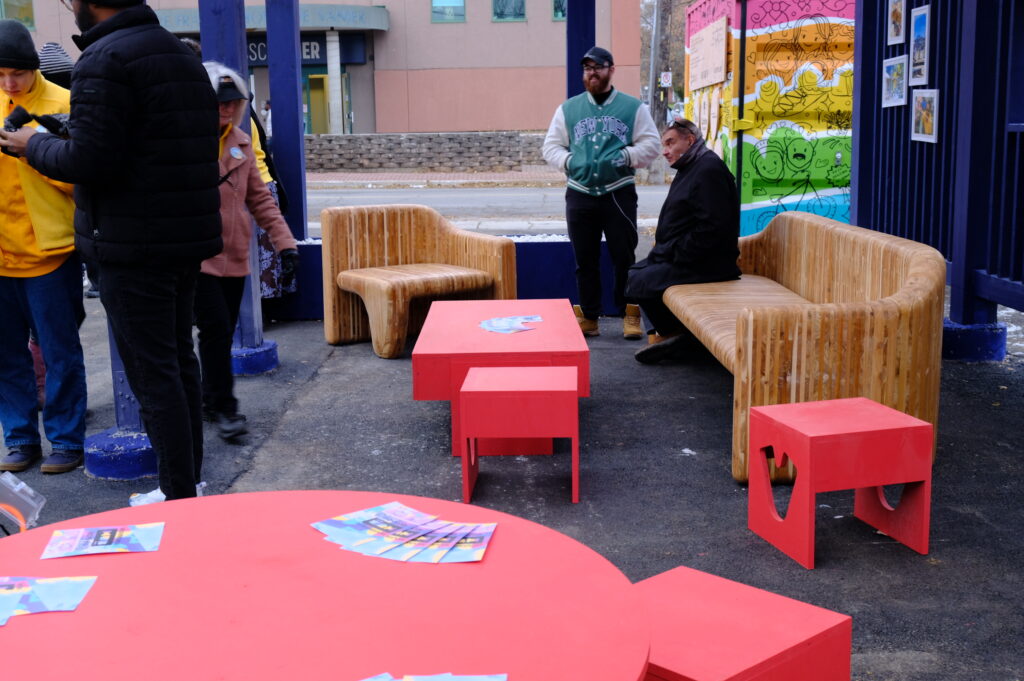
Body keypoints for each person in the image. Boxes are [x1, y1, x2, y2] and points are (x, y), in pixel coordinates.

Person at [0, 0, 222, 504]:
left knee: (153, 374)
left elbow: (90, 160)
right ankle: (188, 484)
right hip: (182, 238)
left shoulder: (104, 59)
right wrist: (57, 131)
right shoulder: (178, 53)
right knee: (177, 362)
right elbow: (141, 143)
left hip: (132, 243)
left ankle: (178, 495)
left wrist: (30, 144)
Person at [0, 19, 87, 475]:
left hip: (50, 253)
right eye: (0, 75)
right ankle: (19, 438)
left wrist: (31, 151)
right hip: (1, 257)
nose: (9, 83)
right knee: (7, 356)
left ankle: (67, 439)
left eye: (17, 72)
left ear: (34, 67)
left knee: (59, 352)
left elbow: (83, 180)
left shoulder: (65, 103)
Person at [197, 62, 298, 440]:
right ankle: (224, 407)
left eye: (233, 102)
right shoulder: (185, 142)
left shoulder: (240, 140)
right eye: (219, 102)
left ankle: (211, 401)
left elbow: (260, 199)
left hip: (235, 256)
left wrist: (285, 244)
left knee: (219, 334)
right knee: (215, 329)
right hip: (198, 255)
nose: (226, 109)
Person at [542, 46, 660, 339]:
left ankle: (628, 313)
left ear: (611, 70)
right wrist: (569, 161)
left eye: (598, 67)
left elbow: (652, 145)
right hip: (580, 192)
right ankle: (590, 316)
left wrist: (627, 156)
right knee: (585, 259)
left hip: (618, 192)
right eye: (587, 68)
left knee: (624, 256)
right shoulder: (569, 109)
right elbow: (550, 147)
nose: (592, 73)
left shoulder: (634, 108)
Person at [627, 118, 741, 364]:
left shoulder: (708, 169)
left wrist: (674, 252)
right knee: (637, 272)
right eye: (663, 145)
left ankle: (683, 339)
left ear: (689, 140)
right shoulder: (693, 165)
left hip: (707, 263)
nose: (665, 151)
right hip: (689, 257)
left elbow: (713, 228)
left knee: (642, 281)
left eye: (670, 143)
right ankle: (676, 335)